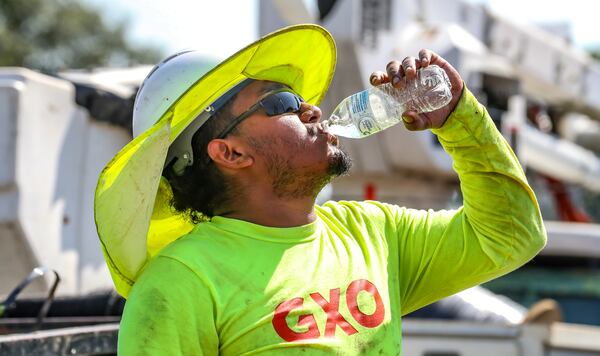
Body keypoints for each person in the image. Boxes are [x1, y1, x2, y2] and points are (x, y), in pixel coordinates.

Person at [94, 24, 546, 355]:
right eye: (281, 103)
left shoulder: (372, 232)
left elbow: (511, 235)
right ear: (229, 153)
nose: (311, 108)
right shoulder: (179, 283)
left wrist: (458, 118)